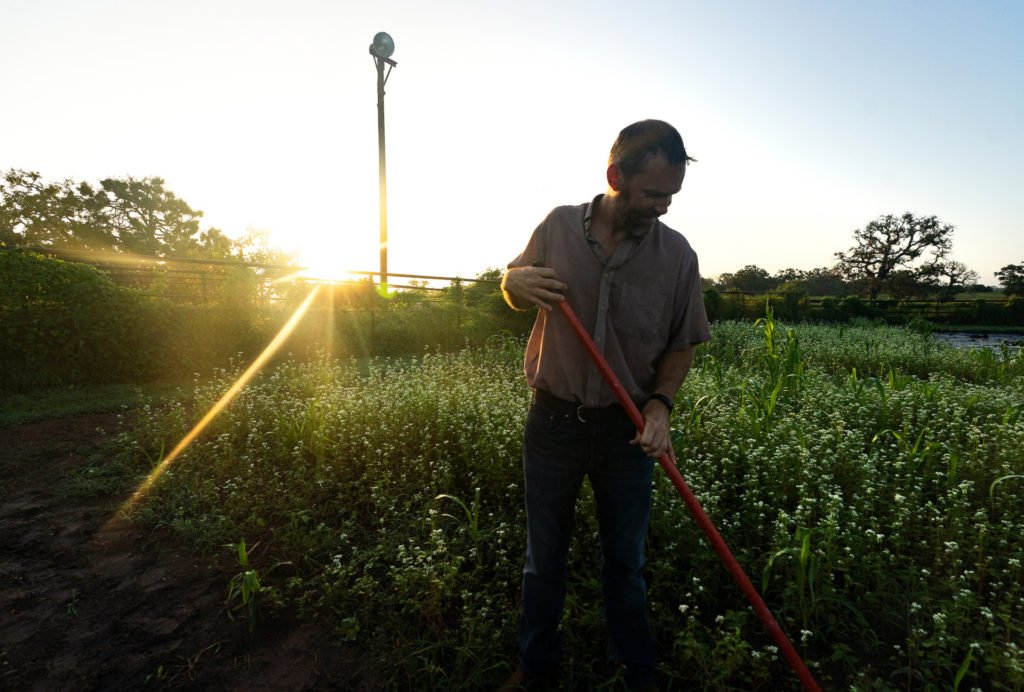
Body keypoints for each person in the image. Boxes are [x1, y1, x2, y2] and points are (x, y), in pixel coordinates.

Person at [498, 119, 711, 690]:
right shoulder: (559, 227)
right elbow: (516, 282)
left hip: (627, 433)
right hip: (554, 425)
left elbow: (682, 343)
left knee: (626, 563)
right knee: (544, 559)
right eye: (653, 194)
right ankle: (535, 666)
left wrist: (661, 406)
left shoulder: (678, 257)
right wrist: (511, 283)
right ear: (615, 175)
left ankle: (632, 670)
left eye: (672, 196)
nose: (664, 208)